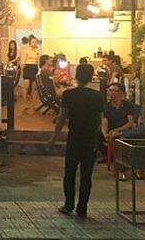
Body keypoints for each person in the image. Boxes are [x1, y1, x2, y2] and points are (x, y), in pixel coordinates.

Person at [46, 63, 104, 219]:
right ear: (91, 77)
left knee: (70, 172)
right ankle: (82, 207)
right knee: (86, 175)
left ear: (76, 76)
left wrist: (53, 138)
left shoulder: (69, 95)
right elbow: (99, 119)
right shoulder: (97, 96)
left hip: (75, 137)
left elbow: (61, 117)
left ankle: (68, 204)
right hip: (90, 138)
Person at [99, 82, 135, 176]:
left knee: (141, 129)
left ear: (121, 93)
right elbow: (104, 122)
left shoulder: (128, 105)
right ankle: (110, 157)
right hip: (111, 131)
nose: (110, 93)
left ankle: (121, 161)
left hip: (124, 130)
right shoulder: (106, 106)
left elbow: (130, 123)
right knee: (98, 133)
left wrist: (117, 131)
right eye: (109, 90)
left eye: (113, 90)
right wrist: (105, 134)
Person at [20, 35, 41, 106]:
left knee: (35, 88)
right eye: (33, 42)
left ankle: (34, 103)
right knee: (27, 87)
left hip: (35, 68)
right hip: (27, 68)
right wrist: (22, 71)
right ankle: (25, 102)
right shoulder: (26, 51)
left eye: (36, 42)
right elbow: (23, 62)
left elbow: (41, 59)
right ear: (30, 43)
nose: (35, 43)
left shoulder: (39, 51)